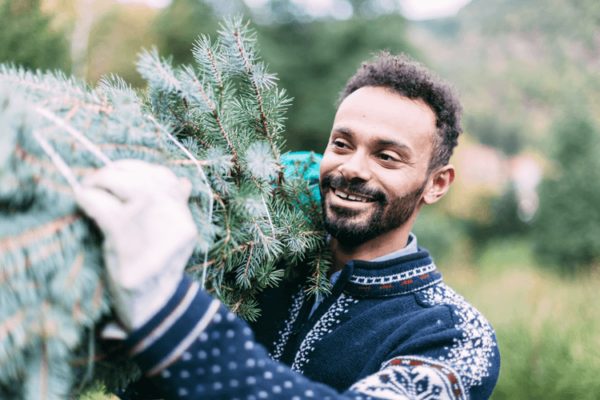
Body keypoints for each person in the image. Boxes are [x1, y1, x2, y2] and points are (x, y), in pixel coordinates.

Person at [76, 52, 500, 400]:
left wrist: (171, 313)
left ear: (437, 184)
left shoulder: (456, 336)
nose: (352, 168)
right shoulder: (253, 259)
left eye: (386, 156)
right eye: (342, 143)